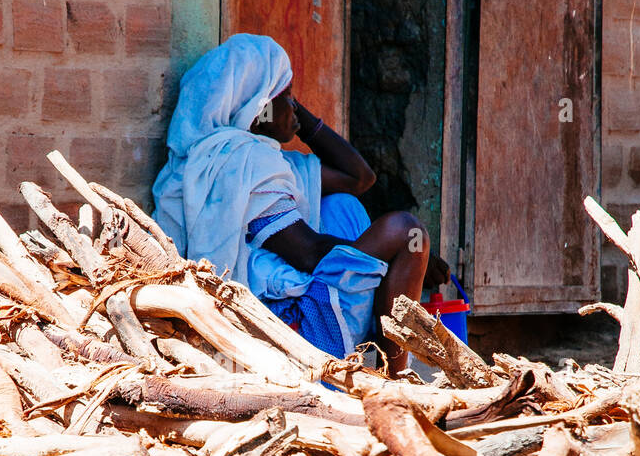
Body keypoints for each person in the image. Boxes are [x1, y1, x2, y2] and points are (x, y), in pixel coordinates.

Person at [152, 33, 449, 376]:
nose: (295, 106)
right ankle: (397, 375)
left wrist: (292, 116)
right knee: (406, 230)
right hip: (283, 324)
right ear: (259, 107)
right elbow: (307, 252)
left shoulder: (239, 158)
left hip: (289, 297)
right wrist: (398, 258)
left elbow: (359, 178)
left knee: (341, 204)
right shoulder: (244, 162)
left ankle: (389, 363)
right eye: (288, 96)